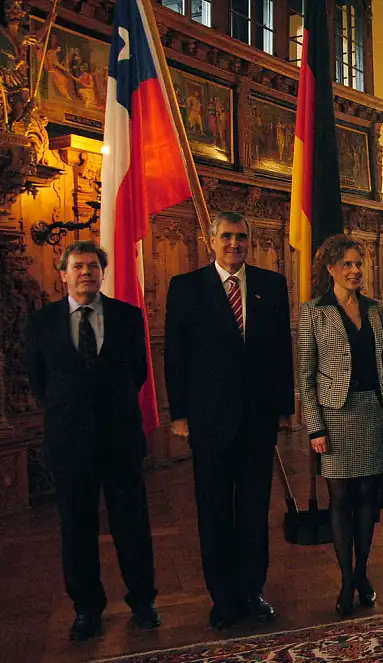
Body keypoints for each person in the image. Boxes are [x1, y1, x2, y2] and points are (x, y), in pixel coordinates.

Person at [164, 211, 294, 629]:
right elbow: (175, 356)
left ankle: (252, 591)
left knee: (255, 511)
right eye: (226, 237)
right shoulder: (186, 288)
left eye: (241, 237)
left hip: (257, 422)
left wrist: (284, 409)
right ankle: (222, 597)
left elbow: (280, 352)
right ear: (211, 240)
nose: (234, 244)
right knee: (215, 511)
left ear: (248, 241)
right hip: (208, 422)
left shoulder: (271, 285)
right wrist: (179, 413)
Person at [25, 240, 160, 640]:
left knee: (132, 525)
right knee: (76, 529)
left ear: (103, 273)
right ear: (62, 273)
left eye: (93, 266)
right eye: (78, 266)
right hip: (68, 444)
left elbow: (137, 373)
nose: (86, 272)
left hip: (120, 440)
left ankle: (143, 601)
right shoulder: (41, 323)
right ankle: (86, 608)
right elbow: (39, 381)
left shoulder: (128, 317)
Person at [298, 234, 383, 617]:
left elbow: (382, 365)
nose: (355, 270)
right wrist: (315, 428)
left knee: (368, 497)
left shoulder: (376, 310)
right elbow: (305, 376)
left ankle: (362, 572)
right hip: (334, 415)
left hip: (371, 410)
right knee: (340, 499)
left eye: (359, 264)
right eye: (347, 264)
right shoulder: (314, 311)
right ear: (331, 268)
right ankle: (345, 581)